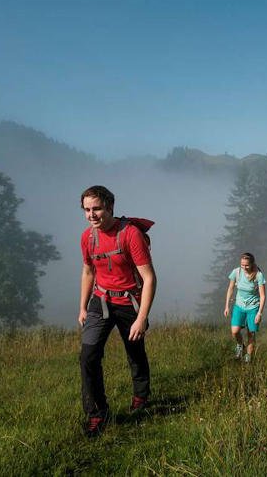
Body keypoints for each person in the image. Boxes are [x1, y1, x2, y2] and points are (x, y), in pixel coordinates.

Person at [78, 185, 156, 438]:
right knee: (88, 355)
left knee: (134, 351)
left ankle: (140, 396)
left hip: (128, 302)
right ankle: (97, 414)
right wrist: (82, 307)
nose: (92, 215)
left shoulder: (130, 234)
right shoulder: (87, 238)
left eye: (97, 208)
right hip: (99, 301)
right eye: (87, 210)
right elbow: (88, 272)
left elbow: (149, 277)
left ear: (110, 207)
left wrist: (142, 318)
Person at [223, 252, 266, 363]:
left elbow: (262, 296)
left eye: (246, 265)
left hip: (253, 307)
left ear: (252, 264)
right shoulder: (236, 272)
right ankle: (240, 345)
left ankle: (248, 357)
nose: (244, 267)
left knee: (251, 333)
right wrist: (227, 306)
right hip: (239, 306)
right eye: (242, 264)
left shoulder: (258, 275)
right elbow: (230, 289)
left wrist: (259, 313)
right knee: (235, 331)